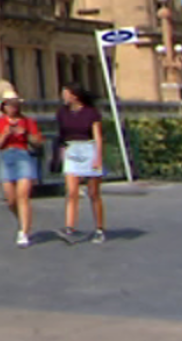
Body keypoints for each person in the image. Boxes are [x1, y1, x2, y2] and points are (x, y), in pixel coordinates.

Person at [0, 90, 43, 247]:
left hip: (23, 156)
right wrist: (6, 133)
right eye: (9, 105)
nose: (12, 108)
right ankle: (22, 219)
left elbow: (38, 142)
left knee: (23, 196)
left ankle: (24, 232)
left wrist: (26, 134)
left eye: (14, 105)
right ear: (3, 106)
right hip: (7, 157)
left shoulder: (27, 121)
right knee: (11, 200)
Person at [57, 83, 107, 244]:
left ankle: (99, 228)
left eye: (66, 93)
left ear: (75, 96)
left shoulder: (91, 113)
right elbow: (62, 135)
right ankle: (70, 227)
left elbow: (97, 136)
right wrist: (62, 152)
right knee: (72, 192)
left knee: (94, 193)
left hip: (88, 149)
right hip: (72, 150)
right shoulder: (62, 113)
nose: (63, 97)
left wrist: (98, 157)